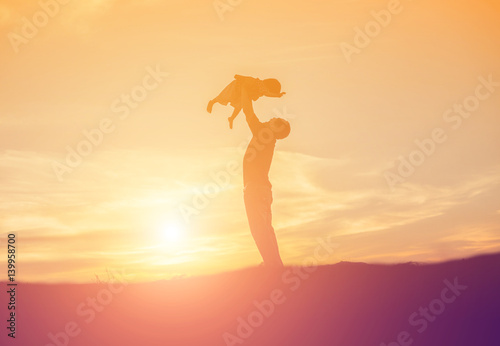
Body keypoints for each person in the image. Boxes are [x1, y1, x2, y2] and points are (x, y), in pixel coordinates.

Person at [239, 87, 290, 269]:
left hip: (256, 189)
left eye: (277, 120)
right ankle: (273, 264)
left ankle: (273, 266)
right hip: (260, 190)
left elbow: (247, 111)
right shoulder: (266, 136)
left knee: (260, 229)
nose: (273, 118)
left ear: (277, 128)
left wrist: (245, 86)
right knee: (264, 229)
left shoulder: (263, 133)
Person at [207, 75, 286, 129]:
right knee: (225, 95)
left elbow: (267, 93)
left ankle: (231, 118)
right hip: (238, 86)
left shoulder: (262, 88)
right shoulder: (261, 85)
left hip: (243, 92)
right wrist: (277, 95)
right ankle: (212, 102)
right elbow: (267, 93)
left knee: (239, 106)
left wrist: (276, 95)